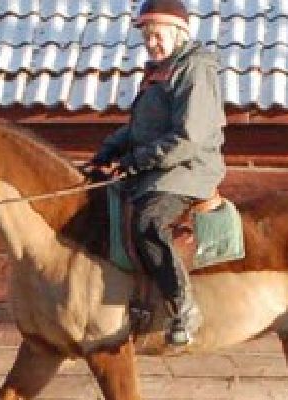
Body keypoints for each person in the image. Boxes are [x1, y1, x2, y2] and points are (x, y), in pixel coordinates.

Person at [83, 0, 226, 346]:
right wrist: (108, 151)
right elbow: (138, 129)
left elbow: (188, 137)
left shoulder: (195, 70)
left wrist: (135, 161)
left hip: (187, 168)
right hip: (157, 167)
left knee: (147, 221)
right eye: (147, 37)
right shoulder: (158, 73)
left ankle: (182, 306)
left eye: (157, 35)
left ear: (180, 33)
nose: (151, 43)